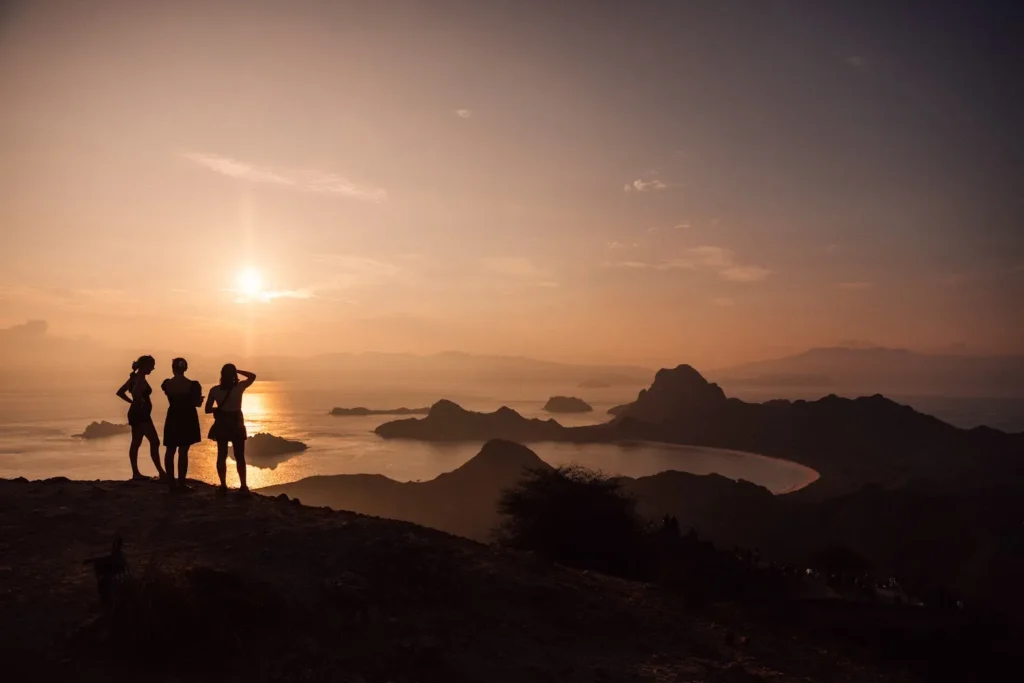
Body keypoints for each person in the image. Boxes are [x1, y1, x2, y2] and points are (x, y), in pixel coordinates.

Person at [206, 363, 256, 493]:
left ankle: (223, 485)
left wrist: (219, 410)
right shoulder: (239, 387)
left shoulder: (214, 390)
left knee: (221, 455)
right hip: (236, 423)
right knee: (239, 456)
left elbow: (207, 409)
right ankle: (243, 486)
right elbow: (252, 376)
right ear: (234, 375)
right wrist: (237, 370)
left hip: (222, 423)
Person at [115, 355, 166, 481]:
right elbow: (136, 393)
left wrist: (132, 402)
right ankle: (161, 472)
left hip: (136, 412)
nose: (153, 369)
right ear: (145, 366)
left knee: (136, 443)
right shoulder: (139, 379)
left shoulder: (133, 378)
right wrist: (139, 401)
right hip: (141, 414)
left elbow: (120, 392)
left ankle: (136, 473)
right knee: (154, 441)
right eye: (151, 366)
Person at [161, 358, 203, 490]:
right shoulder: (193, 385)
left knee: (170, 450)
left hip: (173, 415)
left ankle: (170, 483)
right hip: (187, 417)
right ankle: (181, 483)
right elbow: (196, 403)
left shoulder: (167, 384)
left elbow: (170, 396)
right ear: (185, 369)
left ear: (173, 368)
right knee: (183, 451)